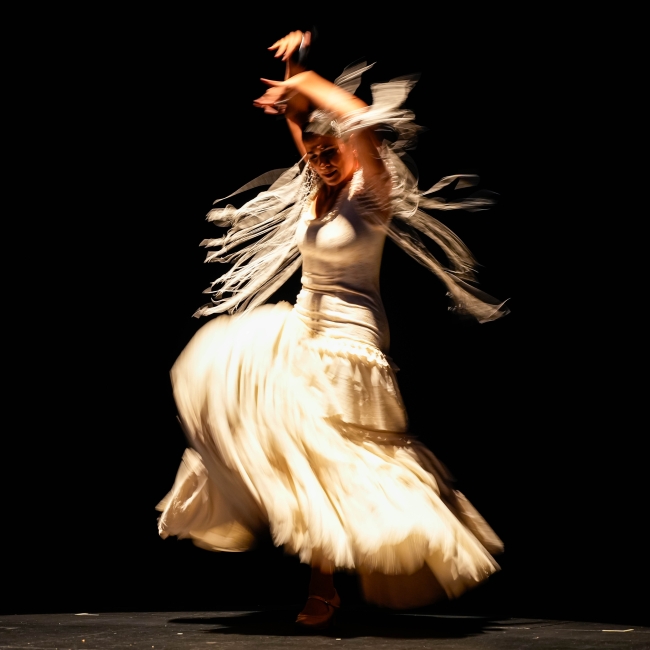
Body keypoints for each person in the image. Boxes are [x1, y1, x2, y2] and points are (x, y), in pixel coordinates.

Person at [156, 30, 508, 629]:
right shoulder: (317, 187)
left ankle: (325, 587)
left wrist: (306, 81)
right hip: (302, 327)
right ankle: (317, 579)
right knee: (224, 377)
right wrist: (294, 67)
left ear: (350, 148)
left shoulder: (370, 193)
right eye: (312, 152)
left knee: (335, 451)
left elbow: (354, 117)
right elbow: (303, 121)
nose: (319, 159)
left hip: (351, 339)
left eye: (329, 150)